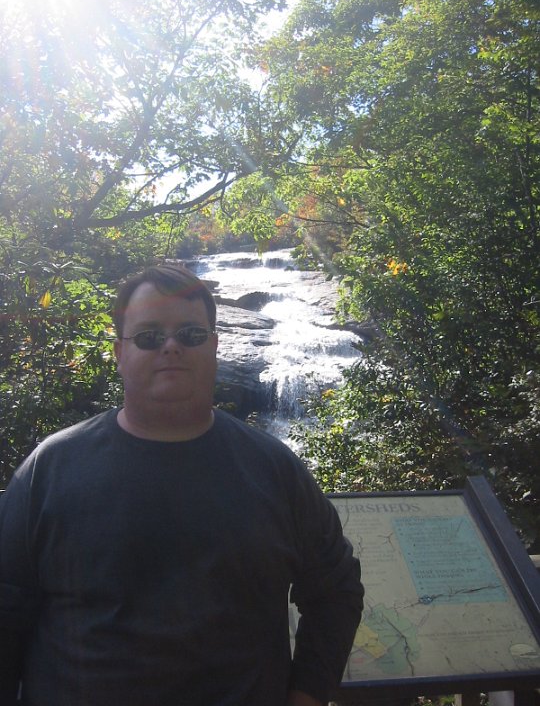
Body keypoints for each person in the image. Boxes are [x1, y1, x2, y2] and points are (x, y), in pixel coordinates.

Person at [0, 263, 363, 706]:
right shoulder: (50, 469)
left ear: (214, 345)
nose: (171, 347)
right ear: (119, 352)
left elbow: (336, 590)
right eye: (149, 336)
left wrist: (306, 695)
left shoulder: (275, 470)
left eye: (190, 334)